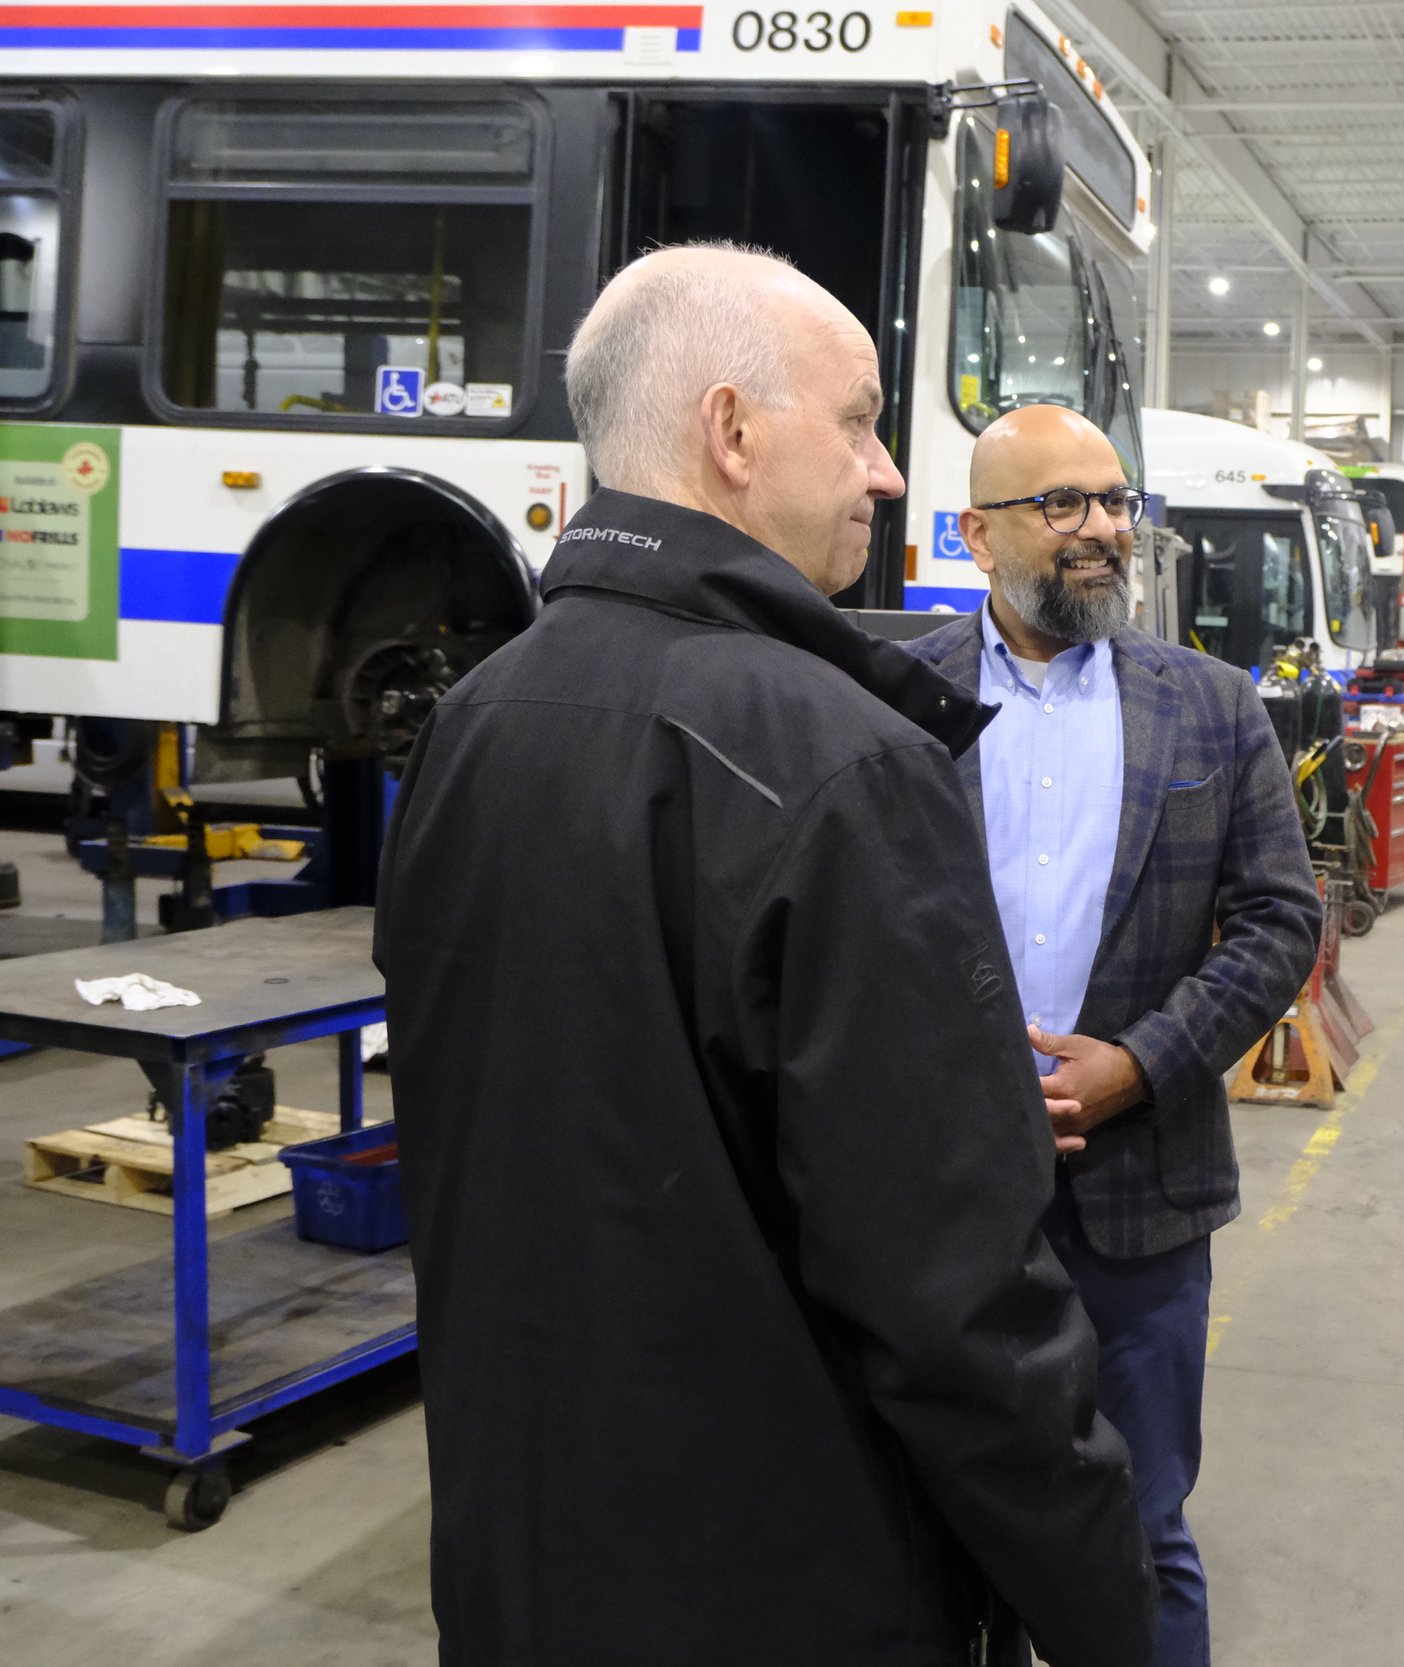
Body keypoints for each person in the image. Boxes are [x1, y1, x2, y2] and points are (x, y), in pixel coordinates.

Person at [375, 245, 1156, 1667]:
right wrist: (1101, 1593)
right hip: (791, 1578)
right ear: (732, 433)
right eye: (858, 421)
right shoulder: (845, 762)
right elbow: (955, 1296)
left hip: (516, 1554)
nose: (887, 475)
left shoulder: (475, 721)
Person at [904, 405, 1322, 1667]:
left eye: (1112, 501)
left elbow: (1277, 920)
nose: (1099, 531)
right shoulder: (893, 700)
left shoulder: (1209, 706)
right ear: (979, 534)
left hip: (1137, 1209)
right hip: (935, 1201)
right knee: (940, 1527)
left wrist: (1141, 1060)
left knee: (1139, 1531)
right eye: (1061, 506)